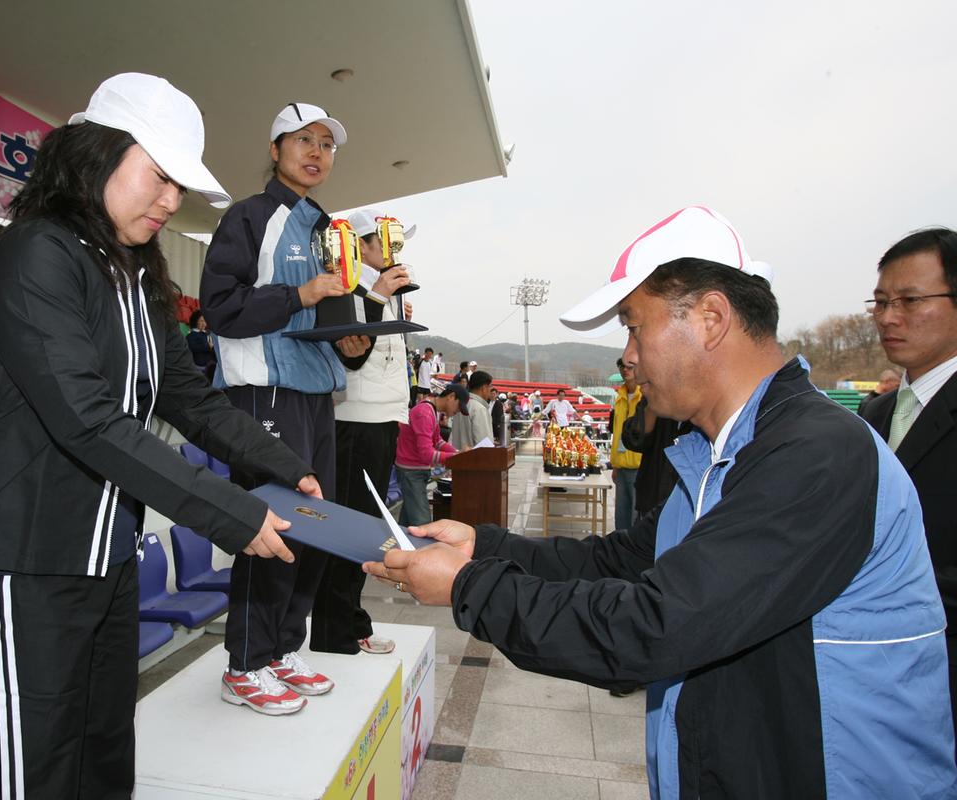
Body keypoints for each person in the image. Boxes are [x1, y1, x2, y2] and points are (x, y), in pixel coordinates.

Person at [365, 206, 956, 798]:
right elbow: (618, 560)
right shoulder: (716, 454)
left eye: (633, 325)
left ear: (710, 318)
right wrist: (484, 544)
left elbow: (654, 625)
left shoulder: (817, 454)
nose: (628, 356)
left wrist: (469, 587)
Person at [0, 74, 321, 798]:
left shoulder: (135, 272)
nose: (172, 201)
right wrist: (232, 513)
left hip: (106, 556)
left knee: (105, 750)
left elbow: (183, 392)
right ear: (96, 155)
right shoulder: (32, 255)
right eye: (161, 177)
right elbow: (86, 418)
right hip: (26, 563)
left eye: (181, 185)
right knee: (37, 770)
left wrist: (282, 465)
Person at [200, 100, 363, 713]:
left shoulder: (327, 228)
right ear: (275, 150)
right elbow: (220, 308)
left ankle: (282, 649)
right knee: (270, 525)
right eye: (304, 140)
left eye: (327, 143)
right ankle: (244, 661)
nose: (317, 152)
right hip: (262, 391)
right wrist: (300, 292)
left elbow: (331, 318)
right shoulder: (249, 218)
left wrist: (349, 343)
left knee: (317, 526)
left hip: (317, 393)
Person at [860, 227, 957, 748]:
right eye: (880, 302)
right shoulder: (875, 413)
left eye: (910, 301)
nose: (888, 317)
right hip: (876, 686)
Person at [310, 207, 415, 658]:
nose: (394, 253)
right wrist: (375, 297)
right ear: (362, 246)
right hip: (353, 423)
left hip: (384, 420)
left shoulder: (383, 292)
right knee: (349, 531)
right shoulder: (344, 287)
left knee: (365, 529)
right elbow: (350, 358)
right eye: (386, 243)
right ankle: (339, 629)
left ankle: (349, 622)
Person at [395, 384, 464, 526]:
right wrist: (457, 457)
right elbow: (427, 454)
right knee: (423, 524)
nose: (458, 411)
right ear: (451, 397)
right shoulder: (425, 413)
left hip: (414, 471)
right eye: (458, 406)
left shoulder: (431, 410)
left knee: (408, 522)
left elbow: (437, 441)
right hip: (411, 471)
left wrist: (457, 453)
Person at [608, 357, 642, 526]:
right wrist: (615, 464)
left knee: (636, 517)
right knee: (621, 516)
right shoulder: (620, 397)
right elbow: (617, 432)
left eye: (630, 366)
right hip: (621, 467)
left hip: (639, 467)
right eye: (622, 366)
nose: (625, 369)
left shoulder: (644, 396)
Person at [451, 370, 494, 449]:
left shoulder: (460, 406)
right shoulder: (480, 409)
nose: (491, 390)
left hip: (456, 457)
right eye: (490, 386)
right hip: (473, 459)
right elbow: (484, 445)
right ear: (484, 388)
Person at [185, 309, 216, 382]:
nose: (204, 324)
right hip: (199, 365)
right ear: (195, 321)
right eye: (201, 321)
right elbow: (194, 347)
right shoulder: (191, 335)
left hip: (210, 363)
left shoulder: (207, 334)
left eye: (205, 321)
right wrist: (209, 347)